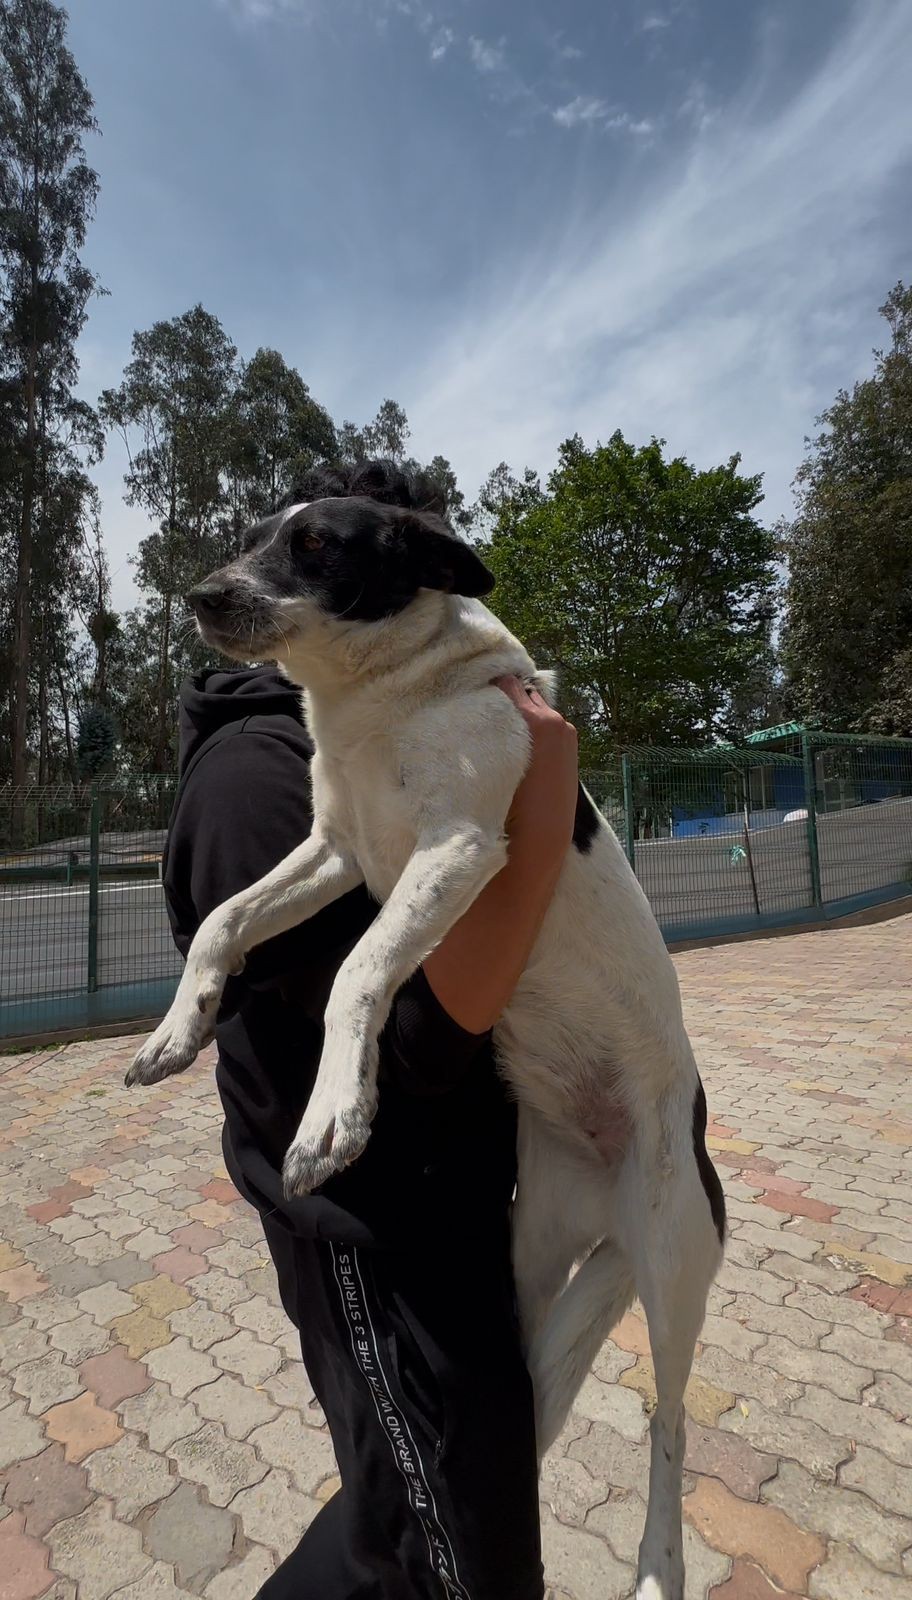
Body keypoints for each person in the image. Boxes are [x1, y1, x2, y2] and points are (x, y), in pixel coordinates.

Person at [161, 468, 579, 1600]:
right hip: (375, 1227)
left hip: (441, 1202)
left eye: (311, 555)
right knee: (447, 1544)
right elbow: (424, 1047)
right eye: (273, 550)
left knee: (413, 1505)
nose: (234, 582)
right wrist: (544, 818)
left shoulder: (388, 724)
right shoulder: (258, 780)